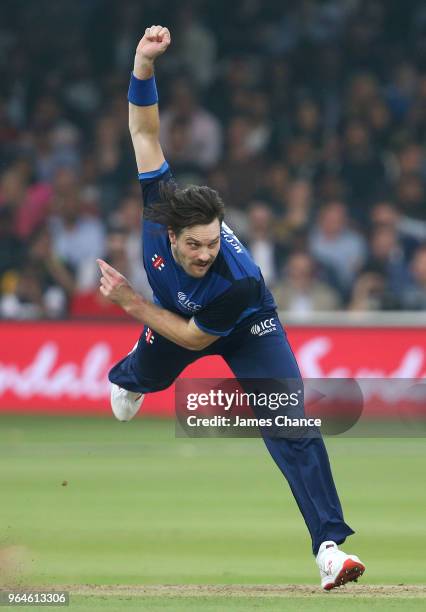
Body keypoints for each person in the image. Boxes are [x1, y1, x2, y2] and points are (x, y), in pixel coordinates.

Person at [97, 25, 365, 591]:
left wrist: (129, 301)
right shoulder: (159, 204)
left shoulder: (238, 280)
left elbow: (198, 339)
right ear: (170, 232)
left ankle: (329, 548)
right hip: (177, 316)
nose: (205, 253)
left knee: (291, 425)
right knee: (140, 381)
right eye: (193, 244)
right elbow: (144, 130)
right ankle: (129, 378)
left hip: (243, 326)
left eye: (214, 242)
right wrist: (143, 65)